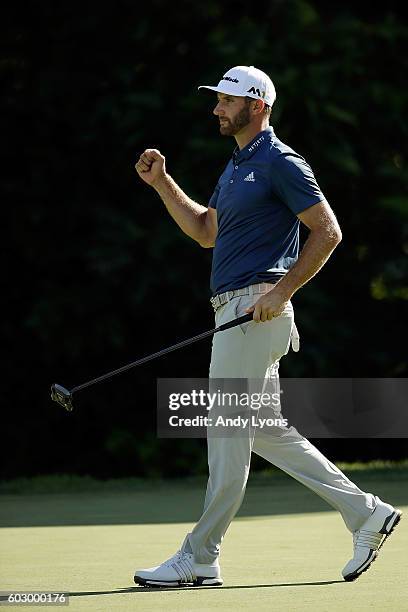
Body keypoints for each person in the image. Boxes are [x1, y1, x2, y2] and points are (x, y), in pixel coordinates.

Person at [133, 66, 401, 587]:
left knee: (226, 432)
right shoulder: (236, 166)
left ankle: (201, 554)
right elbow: (206, 231)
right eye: (216, 100)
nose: (216, 109)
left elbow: (327, 231)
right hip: (236, 311)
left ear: (256, 105)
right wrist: (162, 183)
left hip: (254, 310)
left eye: (226, 101)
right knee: (262, 431)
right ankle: (366, 512)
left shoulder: (279, 161)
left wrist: (281, 293)